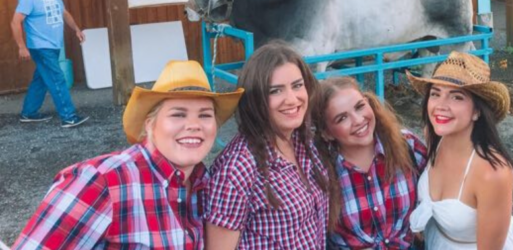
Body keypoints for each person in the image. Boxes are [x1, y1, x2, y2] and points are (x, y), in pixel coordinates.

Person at [14, 60, 243, 249]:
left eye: (204, 115)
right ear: (150, 124)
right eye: (178, 115)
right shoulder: (101, 181)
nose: (194, 125)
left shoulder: (206, 184)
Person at [205, 41, 331, 249]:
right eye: (275, 91)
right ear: (254, 98)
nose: (291, 99)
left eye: (297, 85)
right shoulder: (237, 169)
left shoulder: (303, 142)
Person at [407, 52, 513, 250]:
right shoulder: (434, 136)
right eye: (435, 93)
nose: (441, 106)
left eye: (457, 97)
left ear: (477, 111)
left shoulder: (493, 173)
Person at [313, 76, 428, 250]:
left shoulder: (408, 146)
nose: (358, 120)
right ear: (327, 133)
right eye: (342, 118)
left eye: (360, 107)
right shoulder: (319, 172)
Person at [11, 0, 88, 128]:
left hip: (54, 46)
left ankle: (29, 113)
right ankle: (68, 117)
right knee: (57, 79)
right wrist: (22, 46)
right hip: (40, 46)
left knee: (41, 79)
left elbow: (64, 12)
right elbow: (15, 22)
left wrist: (76, 29)